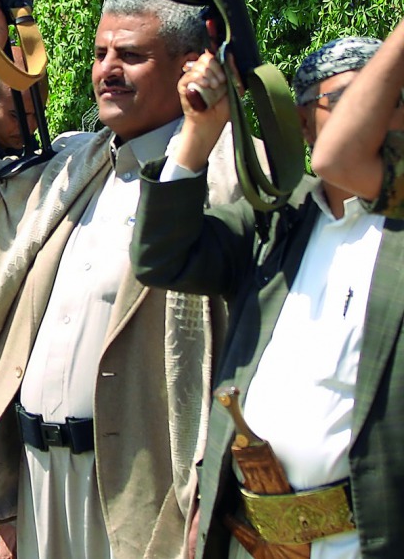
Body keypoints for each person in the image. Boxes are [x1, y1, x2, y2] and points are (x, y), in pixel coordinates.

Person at [0, 0, 246, 559]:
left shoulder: (233, 176)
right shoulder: (70, 166)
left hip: (138, 496)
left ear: (192, 68)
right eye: (99, 54)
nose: (108, 71)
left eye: (131, 56)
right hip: (38, 482)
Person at [132, 38, 404, 558]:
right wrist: (198, 133)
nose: (378, 118)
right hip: (256, 536)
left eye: (393, 99)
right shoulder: (278, 220)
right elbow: (161, 259)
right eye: (351, 100)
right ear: (303, 121)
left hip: (369, 540)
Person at [311, 19, 404, 216]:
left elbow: (337, 160)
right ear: (303, 122)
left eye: (387, 99)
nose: (370, 117)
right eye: (344, 99)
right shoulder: (281, 218)